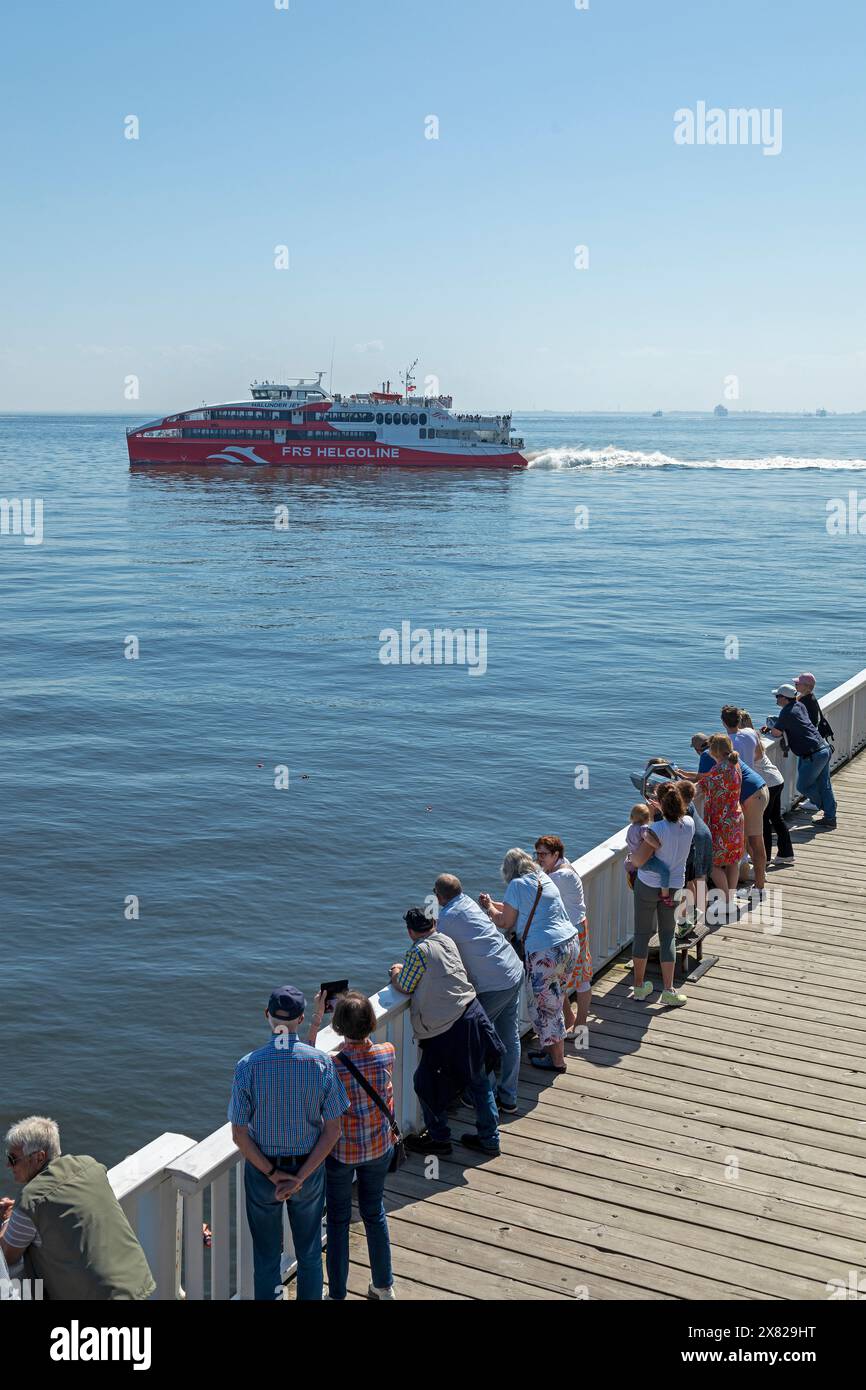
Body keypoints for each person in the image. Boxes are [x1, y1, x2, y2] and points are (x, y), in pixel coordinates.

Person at [228, 984, 349, 1301]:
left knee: (267, 1257)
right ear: (301, 1018)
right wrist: (301, 1176)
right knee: (309, 1250)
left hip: (262, 1170)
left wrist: (273, 1175)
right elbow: (333, 1130)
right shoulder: (320, 1064)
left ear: (267, 1016)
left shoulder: (248, 1066)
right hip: (307, 1167)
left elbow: (239, 1134)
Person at [0, 1116, 155, 1300]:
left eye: (13, 1158)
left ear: (39, 1157)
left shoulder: (31, 1199)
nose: (8, 1165)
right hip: (138, 1285)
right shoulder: (90, 1166)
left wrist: (9, 1218)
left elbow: (6, 1256)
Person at [391, 908, 504, 1157]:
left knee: (425, 1083)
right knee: (479, 1081)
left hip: (446, 1029)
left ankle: (439, 1138)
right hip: (473, 1015)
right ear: (433, 923)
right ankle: (490, 1138)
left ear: (410, 932)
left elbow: (406, 985)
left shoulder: (418, 951)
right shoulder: (446, 939)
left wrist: (395, 973)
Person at [308, 990, 396, 1302]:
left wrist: (317, 1019)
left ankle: (336, 1294)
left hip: (342, 1154)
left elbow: (305, 1058)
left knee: (338, 1221)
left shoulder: (331, 1066)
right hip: (379, 1147)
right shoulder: (387, 1052)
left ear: (339, 1027)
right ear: (372, 1023)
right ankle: (383, 1286)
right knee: (374, 1212)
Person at [479, 848, 579, 1074]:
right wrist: (494, 902)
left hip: (545, 952)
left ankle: (558, 1061)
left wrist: (488, 909)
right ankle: (549, 1050)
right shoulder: (543, 878)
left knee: (547, 1007)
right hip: (569, 945)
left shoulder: (516, 885)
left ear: (509, 871)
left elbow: (505, 921)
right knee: (556, 998)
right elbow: (521, 911)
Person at [433, 874, 523, 1114]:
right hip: (513, 969)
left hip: (493, 984)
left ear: (438, 896)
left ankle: (485, 1095)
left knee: (473, 1039)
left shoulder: (446, 918)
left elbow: (436, 954)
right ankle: (509, 1097)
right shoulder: (468, 903)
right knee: (508, 1034)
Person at [627, 782, 694, 1007]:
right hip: (673, 886)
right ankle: (668, 989)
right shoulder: (690, 824)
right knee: (668, 936)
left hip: (647, 886)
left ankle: (639, 987)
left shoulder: (656, 829)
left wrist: (653, 817)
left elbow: (638, 860)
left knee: (642, 934)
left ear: (661, 806)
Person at [534, 836, 593, 1033]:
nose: (539, 858)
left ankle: (581, 1024)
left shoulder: (560, 877)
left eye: (543, 854)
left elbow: (535, 895)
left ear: (556, 854)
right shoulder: (561, 866)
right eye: (538, 853)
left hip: (574, 930)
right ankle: (569, 1019)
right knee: (560, 978)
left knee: (582, 979)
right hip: (567, 929)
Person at [684, 734, 744, 916]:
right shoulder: (734, 764)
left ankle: (725, 901)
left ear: (715, 751)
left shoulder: (720, 769)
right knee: (732, 861)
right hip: (735, 818)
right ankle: (730, 900)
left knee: (713, 863)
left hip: (721, 822)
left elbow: (699, 788)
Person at [762, 683, 837, 829]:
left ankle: (828, 807)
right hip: (823, 748)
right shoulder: (799, 706)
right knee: (824, 785)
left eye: (777, 697)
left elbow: (776, 733)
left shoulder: (787, 712)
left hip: (813, 754)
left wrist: (771, 728)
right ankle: (830, 816)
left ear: (784, 698)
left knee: (803, 786)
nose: (776, 699)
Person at [740, 710, 794, 866]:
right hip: (776, 779)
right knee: (776, 818)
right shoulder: (754, 736)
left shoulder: (745, 740)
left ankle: (766, 857)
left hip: (768, 783)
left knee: (764, 821)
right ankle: (786, 853)